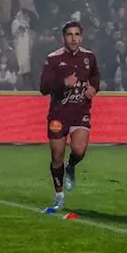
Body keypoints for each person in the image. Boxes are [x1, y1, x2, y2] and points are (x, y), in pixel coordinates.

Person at [38, 21, 99, 211]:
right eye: (69, 35)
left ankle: (71, 166)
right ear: (63, 37)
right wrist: (63, 82)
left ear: (81, 36)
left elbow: (96, 76)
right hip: (58, 114)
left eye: (77, 34)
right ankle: (59, 196)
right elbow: (44, 88)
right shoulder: (53, 59)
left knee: (79, 150)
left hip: (80, 111)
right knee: (57, 155)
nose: (73, 38)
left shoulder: (89, 56)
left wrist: (94, 88)